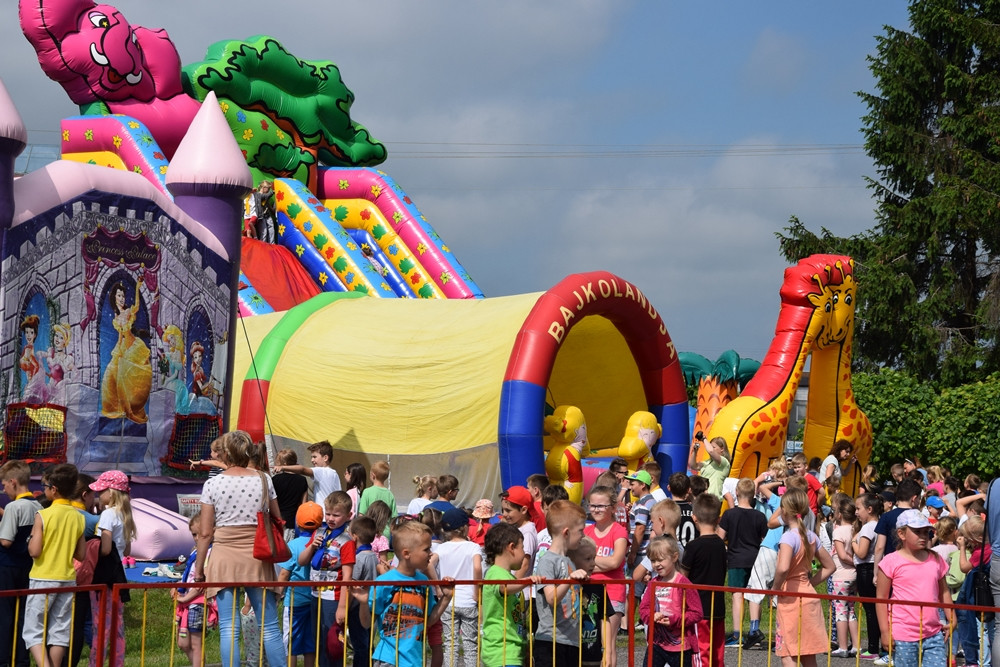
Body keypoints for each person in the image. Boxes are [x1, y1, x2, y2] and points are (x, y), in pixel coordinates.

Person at [192, 431, 287, 667]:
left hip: (224, 555)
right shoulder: (264, 479)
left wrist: (198, 568)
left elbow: (205, 533)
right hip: (258, 554)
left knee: (228, 628)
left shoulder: (213, 483)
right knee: (270, 626)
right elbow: (278, 519)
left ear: (224, 453)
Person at [350, 518, 455, 667]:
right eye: (426, 549)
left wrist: (446, 598)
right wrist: (363, 603)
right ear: (406, 553)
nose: (431, 553)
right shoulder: (384, 582)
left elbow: (429, 621)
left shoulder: (424, 582)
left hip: (415, 660)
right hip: (388, 659)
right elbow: (366, 623)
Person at [24, 464, 86, 667]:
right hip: (67, 578)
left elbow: (34, 551)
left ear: (54, 489)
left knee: (33, 630)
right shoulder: (78, 517)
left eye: (46, 486)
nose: (44, 490)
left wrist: (32, 538)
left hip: (43, 577)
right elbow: (81, 554)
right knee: (60, 629)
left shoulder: (43, 515)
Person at [876, 510, 954, 667]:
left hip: (933, 632)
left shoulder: (936, 559)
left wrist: (952, 618)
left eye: (926, 532)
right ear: (902, 534)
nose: (924, 536)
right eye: (917, 532)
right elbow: (881, 599)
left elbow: (944, 591)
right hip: (903, 633)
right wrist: (885, 632)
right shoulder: (891, 561)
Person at [771, 488, 836, 667]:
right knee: (808, 654)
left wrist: (774, 589)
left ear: (784, 510)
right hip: (809, 596)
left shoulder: (788, 538)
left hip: (790, 598)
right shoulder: (811, 536)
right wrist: (810, 582)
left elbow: (783, 568)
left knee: (788, 653)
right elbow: (830, 566)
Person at [299, 491, 355, 667]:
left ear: (348, 516)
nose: (331, 518)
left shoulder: (346, 541)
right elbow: (301, 561)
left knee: (333, 641)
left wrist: (342, 607)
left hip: (334, 597)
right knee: (319, 640)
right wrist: (311, 548)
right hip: (316, 595)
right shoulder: (319, 532)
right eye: (328, 513)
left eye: (336, 515)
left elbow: (348, 576)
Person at [89, 469, 137, 667]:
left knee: (100, 625)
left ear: (112, 492)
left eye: (101, 491)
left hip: (104, 576)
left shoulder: (108, 514)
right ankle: (117, 662)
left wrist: (91, 550)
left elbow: (106, 548)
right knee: (117, 625)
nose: (98, 495)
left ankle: (96, 663)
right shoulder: (125, 514)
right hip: (120, 576)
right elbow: (126, 550)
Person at [534, 500, 588, 667]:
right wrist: (570, 580)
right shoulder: (547, 561)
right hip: (551, 641)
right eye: (580, 531)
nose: (583, 535)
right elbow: (551, 598)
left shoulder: (569, 561)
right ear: (566, 532)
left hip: (570, 640)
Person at [0, 460, 42, 667]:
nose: (4, 489)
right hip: (28, 567)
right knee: (23, 616)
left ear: (13, 482)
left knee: (4, 615)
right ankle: (21, 659)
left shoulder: (13, 507)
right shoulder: (38, 505)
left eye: (4, 485)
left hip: (8, 567)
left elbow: (6, 540)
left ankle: (3, 659)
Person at [718, 478, 768, 647]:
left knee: (737, 595)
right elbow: (764, 539)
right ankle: (754, 631)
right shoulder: (760, 516)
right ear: (754, 494)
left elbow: (720, 537)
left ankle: (737, 634)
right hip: (755, 559)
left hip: (735, 558)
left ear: (736, 493)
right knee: (754, 596)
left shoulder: (729, 514)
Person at [679, 492, 727, 667]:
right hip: (718, 607)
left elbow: (683, 578)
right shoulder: (721, 545)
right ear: (718, 518)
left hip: (699, 608)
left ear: (694, 517)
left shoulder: (693, 547)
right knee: (717, 653)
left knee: (701, 652)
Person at [640, 535, 703, 667]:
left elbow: (697, 613)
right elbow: (643, 608)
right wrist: (652, 615)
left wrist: (675, 620)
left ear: (674, 557)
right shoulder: (653, 583)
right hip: (657, 643)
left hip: (680, 646)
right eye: (653, 560)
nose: (656, 564)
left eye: (660, 560)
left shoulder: (684, 584)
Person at [481, 522, 537, 667]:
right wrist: (527, 581)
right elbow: (503, 588)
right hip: (501, 651)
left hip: (512, 649)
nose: (524, 552)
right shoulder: (495, 572)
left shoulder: (509, 577)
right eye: (522, 547)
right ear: (511, 547)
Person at [432, 507, 482, 667]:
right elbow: (477, 567)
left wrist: (439, 588)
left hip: (449, 602)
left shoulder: (441, 548)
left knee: (450, 643)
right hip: (468, 600)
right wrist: (476, 591)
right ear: (465, 527)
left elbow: (430, 564)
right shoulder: (473, 547)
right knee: (470, 644)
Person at [584, 485, 627, 666]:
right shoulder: (586, 532)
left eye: (601, 506)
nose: (596, 510)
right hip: (588, 592)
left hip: (612, 591)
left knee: (608, 645)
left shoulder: (619, 531)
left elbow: (615, 562)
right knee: (589, 642)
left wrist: (590, 562)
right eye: (592, 505)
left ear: (612, 507)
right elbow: (579, 564)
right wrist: (602, 563)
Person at [100, 278, 152, 422]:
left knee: (130, 373)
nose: (122, 299)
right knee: (112, 372)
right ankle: (117, 407)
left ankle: (132, 408)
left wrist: (138, 288)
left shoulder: (128, 311)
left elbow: (136, 306)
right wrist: (117, 350)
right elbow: (120, 336)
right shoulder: (116, 318)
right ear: (114, 298)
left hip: (134, 346)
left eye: (123, 296)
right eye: (119, 295)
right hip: (123, 347)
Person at [279, 502, 323, 667]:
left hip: (294, 602)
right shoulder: (321, 543)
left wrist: (277, 593)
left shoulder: (292, 545)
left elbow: (284, 573)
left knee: (291, 641)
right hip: (314, 601)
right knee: (310, 642)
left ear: (297, 523)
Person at [174, 512, 215, 667]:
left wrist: (185, 598)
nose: (197, 538)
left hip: (197, 602)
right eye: (194, 534)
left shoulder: (210, 553)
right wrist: (178, 587)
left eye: (200, 534)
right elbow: (189, 575)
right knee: (183, 643)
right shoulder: (194, 552)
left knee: (196, 643)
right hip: (186, 601)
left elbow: (201, 581)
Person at [568, 537, 611, 667]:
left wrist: (607, 651)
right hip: (570, 652)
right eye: (588, 559)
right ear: (571, 560)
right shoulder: (565, 586)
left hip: (592, 654)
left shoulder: (598, 586)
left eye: (594, 558)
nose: (593, 563)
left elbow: (604, 619)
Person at [852, 492, 883, 660]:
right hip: (873, 568)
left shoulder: (867, 527)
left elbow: (862, 552)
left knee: (870, 610)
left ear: (869, 509)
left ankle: (872, 648)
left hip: (866, 569)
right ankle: (878, 645)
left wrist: (852, 543)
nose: (856, 512)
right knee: (875, 610)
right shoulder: (879, 525)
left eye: (858, 508)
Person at [830, 495, 860, 657]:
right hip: (853, 576)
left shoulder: (838, 532)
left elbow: (841, 555)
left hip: (841, 575)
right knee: (851, 610)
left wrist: (853, 562)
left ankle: (842, 646)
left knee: (841, 611)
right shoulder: (855, 531)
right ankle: (855, 645)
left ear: (840, 514)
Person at [347, 515, 378, 667]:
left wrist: (345, 605)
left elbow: (352, 582)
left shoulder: (359, 558)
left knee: (359, 644)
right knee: (367, 639)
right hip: (371, 603)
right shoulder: (374, 556)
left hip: (357, 606)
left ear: (355, 536)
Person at [274, 440, 342, 508]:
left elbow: (302, 470)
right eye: (311, 457)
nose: (312, 460)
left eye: (314, 457)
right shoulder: (334, 473)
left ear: (325, 458)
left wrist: (282, 467)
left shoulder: (321, 471)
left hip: (323, 515)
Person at [874, 478, 922, 566]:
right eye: (919, 499)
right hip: (915, 564)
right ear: (914, 498)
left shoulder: (886, 517)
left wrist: (876, 573)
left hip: (891, 565)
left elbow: (879, 547)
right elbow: (927, 545)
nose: (919, 501)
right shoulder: (921, 518)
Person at [272, 449, 309, 542]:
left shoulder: (275, 479)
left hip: (278, 520)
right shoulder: (302, 480)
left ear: (283, 463)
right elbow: (304, 503)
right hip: (294, 521)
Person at [626, 470, 657, 572]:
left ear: (643, 485)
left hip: (641, 553)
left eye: (633, 484)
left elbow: (640, 529)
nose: (630, 488)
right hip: (649, 551)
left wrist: (633, 553)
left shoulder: (642, 504)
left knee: (634, 585)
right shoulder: (652, 501)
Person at [687, 433, 731, 500]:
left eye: (714, 447)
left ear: (722, 449)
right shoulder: (707, 462)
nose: (711, 448)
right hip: (702, 497)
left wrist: (703, 438)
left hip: (713, 499)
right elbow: (693, 465)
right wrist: (694, 451)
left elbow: (711, 451)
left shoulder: (724, 462)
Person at [357, 461, 397, 528]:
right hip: (385, 531)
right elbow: (394, 517)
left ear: (373, 475)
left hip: (369, 530)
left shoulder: (367, 492)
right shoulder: (390, 494)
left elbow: (361, 515)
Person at [668, 473, 697, 549]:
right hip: (691, 554)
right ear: (689, 490)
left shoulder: (665, 510)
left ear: (669, 488)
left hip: (671, 553)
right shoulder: (695, 511)